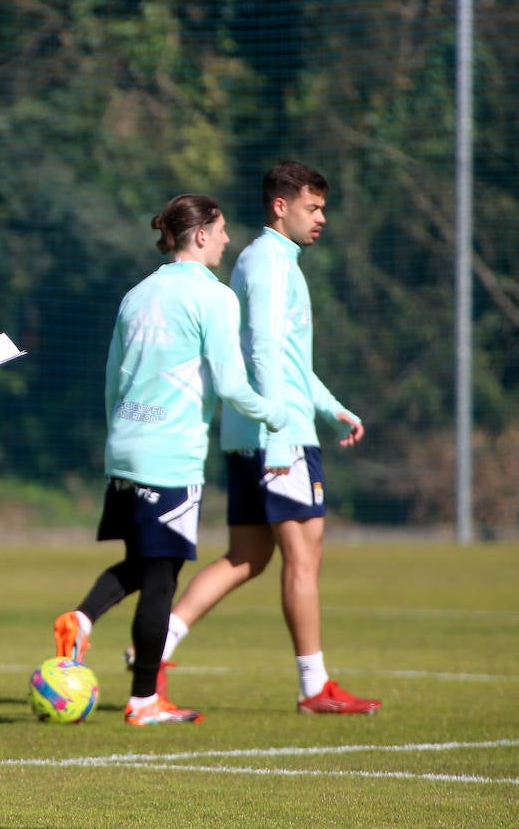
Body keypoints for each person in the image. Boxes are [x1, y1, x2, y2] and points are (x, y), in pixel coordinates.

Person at [52, 194, 288, 727]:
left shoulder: (137, 293)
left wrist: (121, 437)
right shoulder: (215, 297)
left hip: (127, 446)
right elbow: (231, 385)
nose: (228, 239)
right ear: (200, 234)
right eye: (222, 229)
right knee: (162, 579)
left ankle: (82, 617)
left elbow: (113, 378)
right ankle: (143, 701)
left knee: (143, 562)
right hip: (171, 454)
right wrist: (275, 413)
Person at [161, 161, 379, 715]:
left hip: (253, 433)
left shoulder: (268, 261)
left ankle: (155, 646)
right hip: (276, 437)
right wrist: (283, 428)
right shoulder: (271, 261)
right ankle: (314, 687)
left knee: (246, 557)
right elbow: (260, 349)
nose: (322, 218)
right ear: (281, 206)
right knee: (303, 558)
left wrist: (332, 409)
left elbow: (288, 360)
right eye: (313, 207)